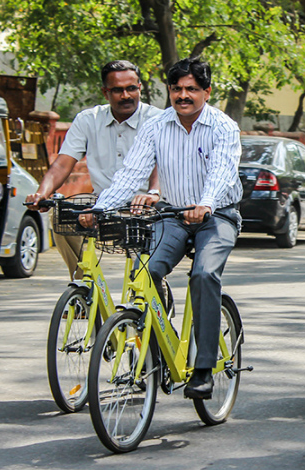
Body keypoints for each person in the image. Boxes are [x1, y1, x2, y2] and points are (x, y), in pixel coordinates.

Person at [86, 58, 242, 400]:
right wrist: (100, 209)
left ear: (206, 92)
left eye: (191, 89)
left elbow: (222, 172)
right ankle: (161, 344)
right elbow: (131, 173)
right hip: (172, 214)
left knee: (203, 275)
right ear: (169, 91)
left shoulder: (223, 126)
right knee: (146, 270)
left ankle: (203, 368)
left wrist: (206, 203)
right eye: (176, 89)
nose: (183, 96)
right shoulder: (157, 126)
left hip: (217, 215)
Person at [26, 60, 162, 280]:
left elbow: (162, 164)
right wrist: (42, 193)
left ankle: (152, 291)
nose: (126, 95)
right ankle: (84, 287)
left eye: (131, 89)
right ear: (105, 92)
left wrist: (153, 192)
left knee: (144, 277)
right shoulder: (88, 120)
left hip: (145, 205)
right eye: (117, 90)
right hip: (102, 202)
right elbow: (62, 164)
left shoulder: (158, 119)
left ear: (139, 88)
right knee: (60, 216)